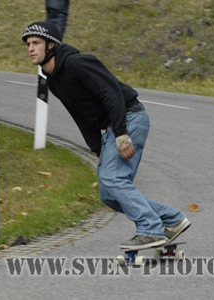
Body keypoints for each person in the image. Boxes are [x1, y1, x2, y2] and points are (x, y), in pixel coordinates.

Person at [22, 22, 191, 250]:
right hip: (113, 128)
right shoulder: (54, 80)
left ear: (51, 45)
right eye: (28, 44)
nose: (30, 48)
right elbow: (80, 115)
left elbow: (111, 92)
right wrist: (99, 151)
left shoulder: (77, 63)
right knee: (108, 194)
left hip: (129, 118)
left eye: (36, 43)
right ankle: (172, 219)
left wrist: (121, 134)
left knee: (114, 179)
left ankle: (150, 229)